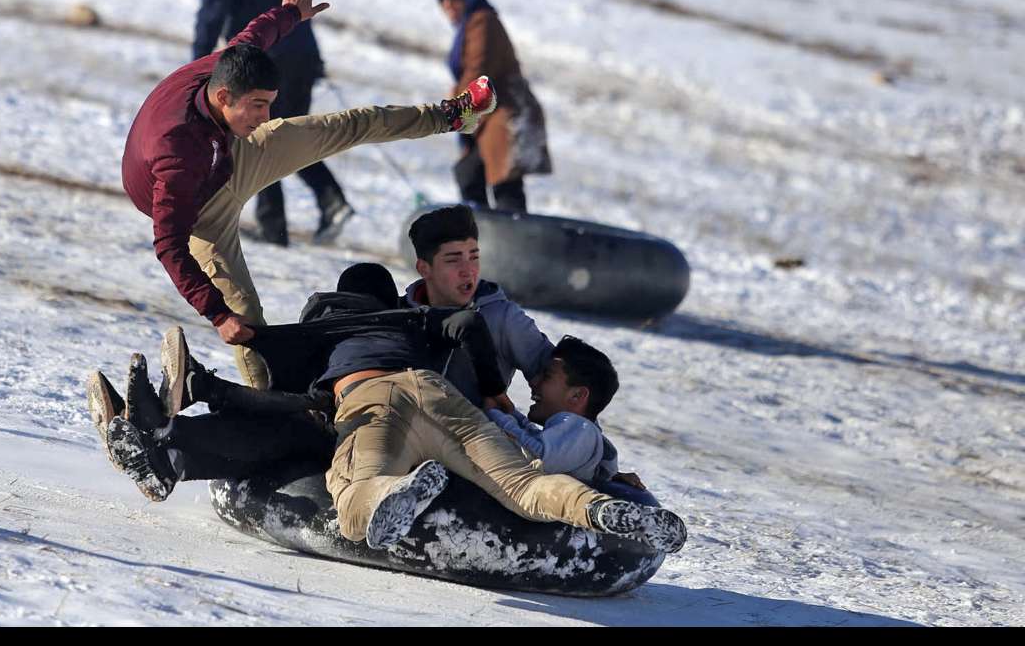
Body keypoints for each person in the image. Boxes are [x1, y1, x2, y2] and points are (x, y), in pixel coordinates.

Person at [102, 263, 686, 554]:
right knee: (529, 489)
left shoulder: (328, 327)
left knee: (350, 493)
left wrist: (221, 383)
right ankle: (602, 512)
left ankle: (385, 498)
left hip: (370, 408)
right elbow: (468, 324)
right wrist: (493, 392)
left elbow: (296, 395)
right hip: (444, 401)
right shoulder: (417, 322)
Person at [121, 0, 497, 389]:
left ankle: (452, 116)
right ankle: (270, 415)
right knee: (243, 320)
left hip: (233, 154)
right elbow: (168, 244)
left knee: (348, 124)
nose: (267, 116)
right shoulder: (175, 151)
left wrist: (290, 15)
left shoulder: (222, 73)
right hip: (201, 213)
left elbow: (252, 39)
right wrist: (216, 313)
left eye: (269, 103)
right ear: (224, 96)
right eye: (259, 106)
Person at [193, 0, 352, 248]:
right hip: (300, 48)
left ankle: (278, 225)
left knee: (259, 137)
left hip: (264, 55)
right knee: (282, 133)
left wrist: (198, 65)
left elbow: (213, 6)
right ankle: (327, 201)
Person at [403, 204, 554, 403]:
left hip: (478, 432)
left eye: (474, 257)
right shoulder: (401, 314)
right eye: (453, 260)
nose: (468, 270)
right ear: (424, 269)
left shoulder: (503, 319)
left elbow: (562, 386)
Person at [436, 0, 551, 213]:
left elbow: (477, 71)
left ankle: (510, 240)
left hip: (506, 114)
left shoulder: (482, 21)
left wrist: (456, 110)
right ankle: (483, 236)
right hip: (488, 115)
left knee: (504, 181)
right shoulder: (469, 25)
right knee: (471, 173)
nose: (448, 4)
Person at [485, 336, 621, 484]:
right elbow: (535, 440)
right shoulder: (580, 435)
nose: (534, 382)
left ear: (577, 395)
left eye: (547, 376)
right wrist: (512, 414)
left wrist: (495, 414)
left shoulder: (583, 430)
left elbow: (539, 457)